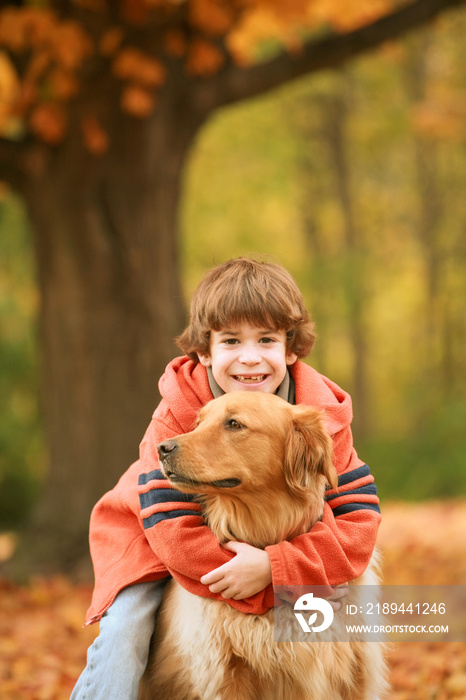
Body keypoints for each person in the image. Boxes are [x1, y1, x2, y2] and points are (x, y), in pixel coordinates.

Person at [71, 257, 381, 699]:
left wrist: (275, 569)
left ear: (290, 349)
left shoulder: (322, 418)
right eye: (231, 340)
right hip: (152, 536)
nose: (249, 357)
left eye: (266, 340)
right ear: (204, 351)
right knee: (125, 635)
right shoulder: (176, 415)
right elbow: (173, 534)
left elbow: (360, 521)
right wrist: (261, 587)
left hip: (272, 543)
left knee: (357, 601)